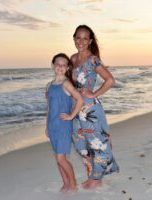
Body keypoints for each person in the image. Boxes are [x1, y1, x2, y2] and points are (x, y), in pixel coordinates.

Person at [70, 25, 119, 189]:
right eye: (78, 37)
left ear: (90, 41)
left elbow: (110, 80)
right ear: (74, 38)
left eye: (85, 38)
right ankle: (92, 174)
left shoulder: (93, 60)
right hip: (75, 108)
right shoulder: (72, 59)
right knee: (81, 145)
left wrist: (94, 93)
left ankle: (97, 178)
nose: (81, 41)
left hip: (90, 110)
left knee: (98, 143)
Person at [45, 53, 84, 193]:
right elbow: (49, 107)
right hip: (52, 126)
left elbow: (80, 99)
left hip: (63, 125)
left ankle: (73, 183)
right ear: (52, 65)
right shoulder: (49, 86)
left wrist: (71, 115)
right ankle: (66, 182)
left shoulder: (66, 83)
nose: (60, 67)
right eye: (57, 64)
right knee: (58, 158)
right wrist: (46, 127)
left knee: (61, 159)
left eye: (63, 65)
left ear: (67, 67)